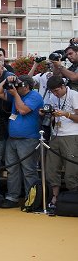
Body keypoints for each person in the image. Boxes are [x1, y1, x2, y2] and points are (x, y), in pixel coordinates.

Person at [0, 75, 43, 208]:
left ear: (27, 86)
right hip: (13, 139)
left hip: (29, 139)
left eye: (19, 85)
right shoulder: (17, 94)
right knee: (12, 169)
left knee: (28, 170)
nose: (15, 87)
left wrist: (15, 94)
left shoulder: (35, 96)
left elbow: (22, 110)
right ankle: (12, 197)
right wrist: (6, 80)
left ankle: (31, 199)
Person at [44, 76, 78, 207]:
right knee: (52, 168)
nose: (55, 94)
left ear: (63, 86)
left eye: (57, 90)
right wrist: (47, 113)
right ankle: (54, 198)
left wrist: (65, 114)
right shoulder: (53, 97)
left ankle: (73, 199)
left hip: (72, 134)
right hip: (56, 134)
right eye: (52, 91)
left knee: (71, 169)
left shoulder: (74, 95)